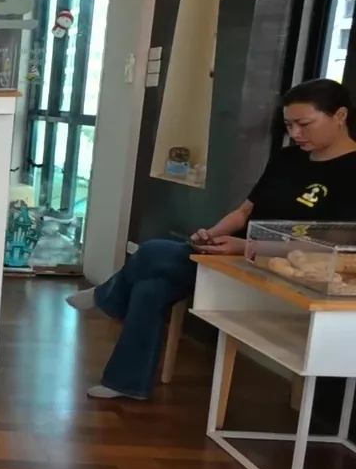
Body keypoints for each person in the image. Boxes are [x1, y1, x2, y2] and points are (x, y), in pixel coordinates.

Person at [68, 78, 356, 400]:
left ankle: (107, 299)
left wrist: (247, 248)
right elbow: (245, 211)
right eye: (289, 125)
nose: (296, 133)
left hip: (284, 272)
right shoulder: (288, 158)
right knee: (150, 288)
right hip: (234, 255)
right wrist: (213, 233)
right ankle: (126, 383)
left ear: (340, 115)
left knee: (152, 254)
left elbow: (332, 246)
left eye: (304, 124)